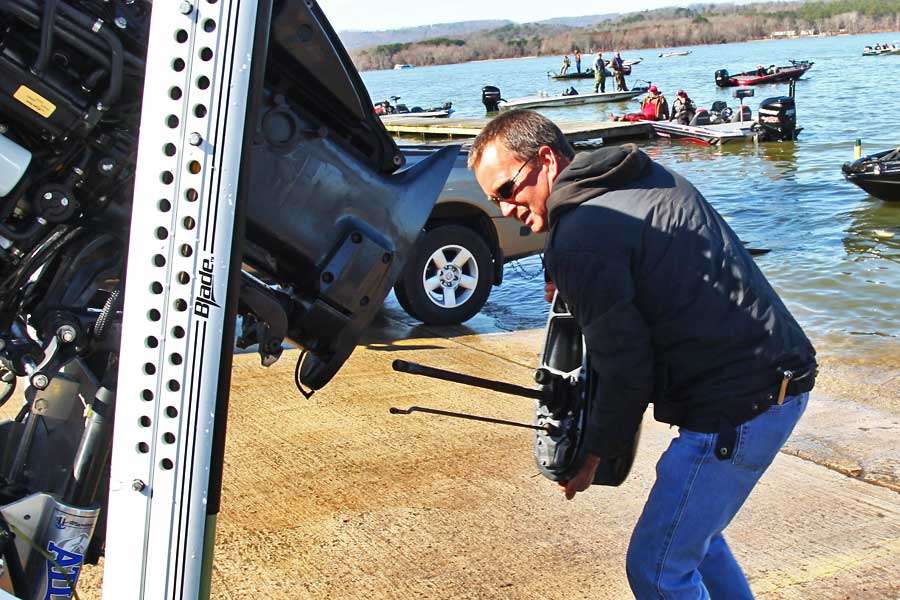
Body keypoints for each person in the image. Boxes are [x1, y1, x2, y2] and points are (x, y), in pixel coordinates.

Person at [467, 109, 816, 600]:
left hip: (741, 405)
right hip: (779, 376)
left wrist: (589, 455)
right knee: (699, 542)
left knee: (657, 571)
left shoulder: (582, 236)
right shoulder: (637, 175)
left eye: (508, 190)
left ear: (546, 159)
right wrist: (570, 278)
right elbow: (644, 268)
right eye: (494, 200)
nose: (506, 209)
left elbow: (624, 368)